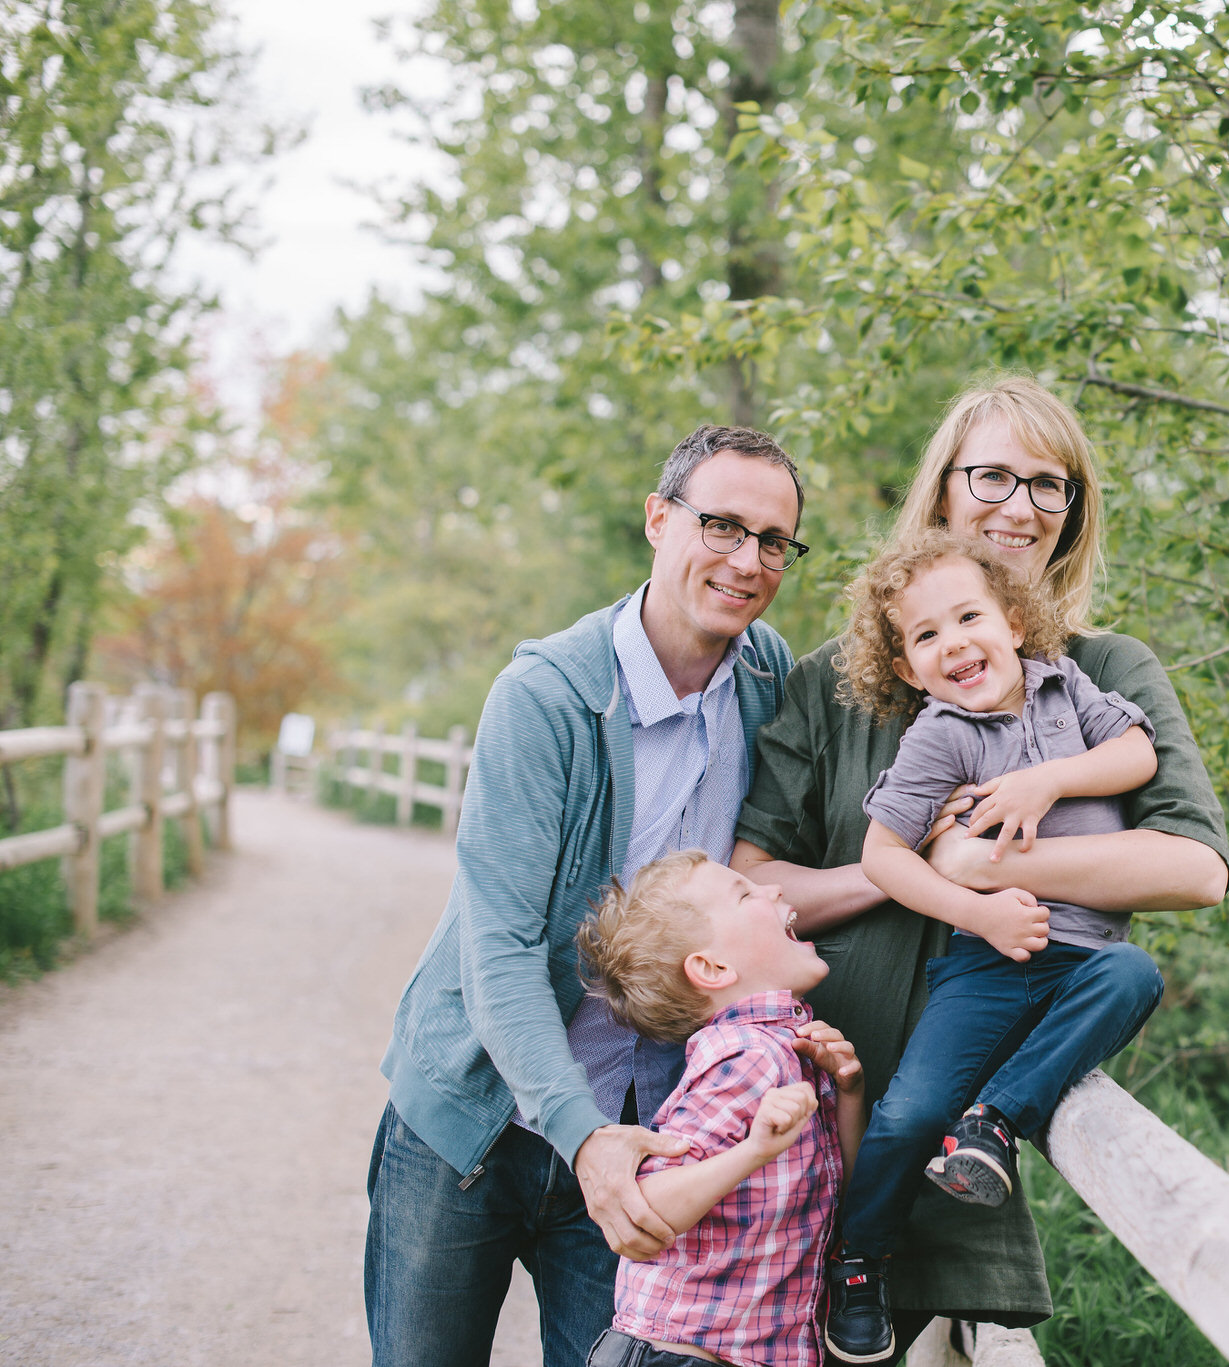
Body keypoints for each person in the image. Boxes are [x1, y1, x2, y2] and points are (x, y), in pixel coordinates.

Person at [731, 376, 1229, 1357]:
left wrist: (994, 850)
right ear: (944, 488)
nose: (1020, 505)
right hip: (799, 1128)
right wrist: (926, 865)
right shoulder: (838, 679)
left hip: (960, 1178)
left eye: (1050, 486)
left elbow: (1194, 868)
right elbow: (752, 882)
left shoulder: (1100, 673)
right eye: (994, 474)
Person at [365, 425, 806, 1367]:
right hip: (476, 1123)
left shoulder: (768, 680)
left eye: (774, 541)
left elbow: (774, 874)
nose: (747, 560)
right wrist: (582, 1135)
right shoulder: (548, 698)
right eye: (721, 526)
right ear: (658, 519)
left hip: (642, 1131)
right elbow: (501, 945)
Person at [819, 531, 1165, 1362]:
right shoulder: (940, 735)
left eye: (969, 616)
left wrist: (1047, 779)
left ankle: (996, 1121)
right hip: (988, 959)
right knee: (907, 1112)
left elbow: (1138, 751)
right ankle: (858, 1261)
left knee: (1136, 972)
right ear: (907, 668)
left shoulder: (1065, 686)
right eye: (926, 635)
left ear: (1014, 621)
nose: (954, 643)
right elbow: (882, 854)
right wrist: (976, 917)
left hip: (1083, 961)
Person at [575, 850, 867, 1367]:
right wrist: (752, 1151)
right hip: (681, 1355)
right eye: (746, 894)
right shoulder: (746, 1057)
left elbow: (835, 1190)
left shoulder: (785, 1047)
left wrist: (849, 1091)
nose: (774, 890)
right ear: (712, 968)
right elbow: (650, 1204)